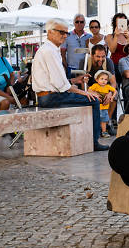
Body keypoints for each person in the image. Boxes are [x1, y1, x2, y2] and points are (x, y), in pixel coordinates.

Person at [31, 19, 106, 151]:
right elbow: (60, 85)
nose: (65, 36)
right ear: (50, 32)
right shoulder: (49, 51)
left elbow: (58, 81)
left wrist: (75, 81)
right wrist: (84, 92)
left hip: (49, 96)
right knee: (93, 100)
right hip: (51, 98)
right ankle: (93, 142)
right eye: (62, 32)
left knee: (87, 95)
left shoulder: (51, 49)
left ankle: (86, 138)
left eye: (66, 33)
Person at [88, 70, 117, 138]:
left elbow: (115, 91)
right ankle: (96, 132)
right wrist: (94, 93)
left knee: (104, 120)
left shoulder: (108, 87)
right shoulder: (95, 86)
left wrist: (112, 97)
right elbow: (89, 90)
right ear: (97, 79)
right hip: (97, 107)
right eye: (102, 79)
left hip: (104, 108)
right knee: (96, 119)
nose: (104, 81)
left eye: (106, 79)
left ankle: (104, 131)